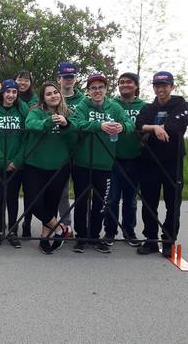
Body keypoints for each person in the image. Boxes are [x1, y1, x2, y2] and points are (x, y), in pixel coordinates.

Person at [71, 73, 134, 253]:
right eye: (93, 88)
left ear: (106, 89)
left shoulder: (114, 107)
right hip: (82, 163)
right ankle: (81, 237)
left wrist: (122, 127)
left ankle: (95, 237)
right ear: (88, 90)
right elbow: (76, 124)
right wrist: (99, 126)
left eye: (100, 87)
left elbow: (130, 124)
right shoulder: (83, 104)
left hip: (105, 165)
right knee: (81, 201)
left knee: (101, 203)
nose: (97, 91)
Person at [136, 71, 188, 257]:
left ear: (172, 87)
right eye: (157, 86)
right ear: (153, 87)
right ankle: (150, 239)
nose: (161, 89)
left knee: (172, 203)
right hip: (149, 162)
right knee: (148, 203)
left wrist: (153, 129)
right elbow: (138, 124)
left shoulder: (181, 105)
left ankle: (168, 240)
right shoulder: (148, 108)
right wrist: (153, 127)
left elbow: (176, 125)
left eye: (165, 86)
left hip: (172, 163)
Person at [24, 82, 75, 254]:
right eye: (49, 94)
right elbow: (31, 125)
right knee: (33, 203)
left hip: (59, 166)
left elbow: (75, 138)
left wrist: (66, 125)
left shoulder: (68, 114)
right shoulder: (36, 112)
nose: (53, 95)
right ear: (43, 98)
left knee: (51, 203)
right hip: (35, 165)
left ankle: (45, 238)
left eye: (56, 92)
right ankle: (61, 228)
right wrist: (48, 121)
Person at [103, 72, 146, 247]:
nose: (125, 85)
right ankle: (110, 232)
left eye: (129, 82)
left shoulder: (144, 106)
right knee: (112, 198)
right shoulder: (112, 105)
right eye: (121, 82)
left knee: (130, 199)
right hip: (113, 158)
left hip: (135, 158)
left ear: (136, 86)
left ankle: (129, 231)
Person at [0, 79, 29, 249]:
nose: (11, 95)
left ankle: (12, 231)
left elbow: (25, 140)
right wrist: (3, 161)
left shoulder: (21, 113)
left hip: (16, 165)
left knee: (12, 199)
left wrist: (16, 161)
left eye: (14, 92)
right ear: (2, 93)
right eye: (8, 92)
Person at [55, 61, 84, 233]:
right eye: (65, 77)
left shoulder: (83, 100)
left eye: (71, 77)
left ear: (75, 79)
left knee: (82, 191)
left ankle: (82, 228)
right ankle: (66, 224)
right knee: (62, 191)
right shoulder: (53, 96)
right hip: (59, 151)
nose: (68, 80)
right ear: (59, 78)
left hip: (80, 151)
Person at [14, 69, 37, 237]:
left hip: (31, 150)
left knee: (29, 192)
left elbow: (32, 118)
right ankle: (13, 223)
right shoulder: (10, 95)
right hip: (14, 149)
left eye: (26, 80)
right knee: (12, 192)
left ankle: (27, 222)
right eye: (20, 79)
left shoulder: (35, 99)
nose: (22, 83)